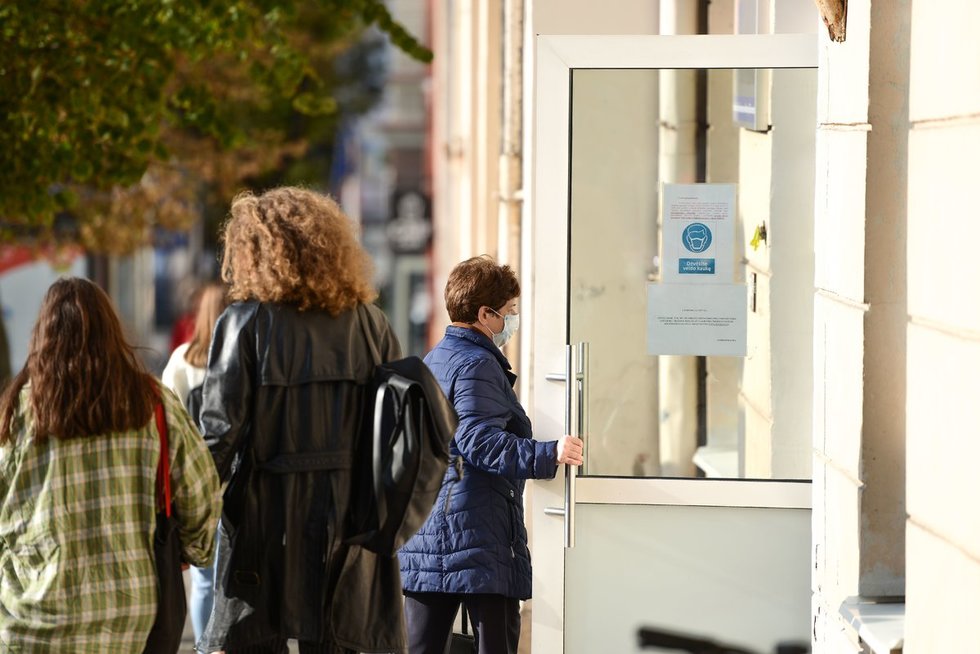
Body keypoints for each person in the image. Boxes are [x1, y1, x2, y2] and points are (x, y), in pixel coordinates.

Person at [197, 187, 404, 654]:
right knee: (339, 637)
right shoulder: (371, 324)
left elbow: (217, 437)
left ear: (254, 251)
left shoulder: (244, 322)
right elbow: (398, 430)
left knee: (254, 637)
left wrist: (181, 525)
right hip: (352, 520)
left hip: (265, 524)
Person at [0, 277, 221, 652]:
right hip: (130, 617)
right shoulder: (153, 402)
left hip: (31, 619)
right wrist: (191, 551)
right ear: (111, 330)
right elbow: (203, 497)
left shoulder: (15, 412)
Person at [398, 255, 584, 654]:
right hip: (475, 536)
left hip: (429, 533)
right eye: (509, 312)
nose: (512, 322)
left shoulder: (436, 359)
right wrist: (549, 454)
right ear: (485, 315)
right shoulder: (476, 364)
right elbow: (478, 441)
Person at [161, 281, 227, 645]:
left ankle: (205, 645)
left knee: (203, 578)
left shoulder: (182, 360)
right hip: (233, 478)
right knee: (229, 576)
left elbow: (167, 416)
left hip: (194, 482)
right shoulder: (240, 356)